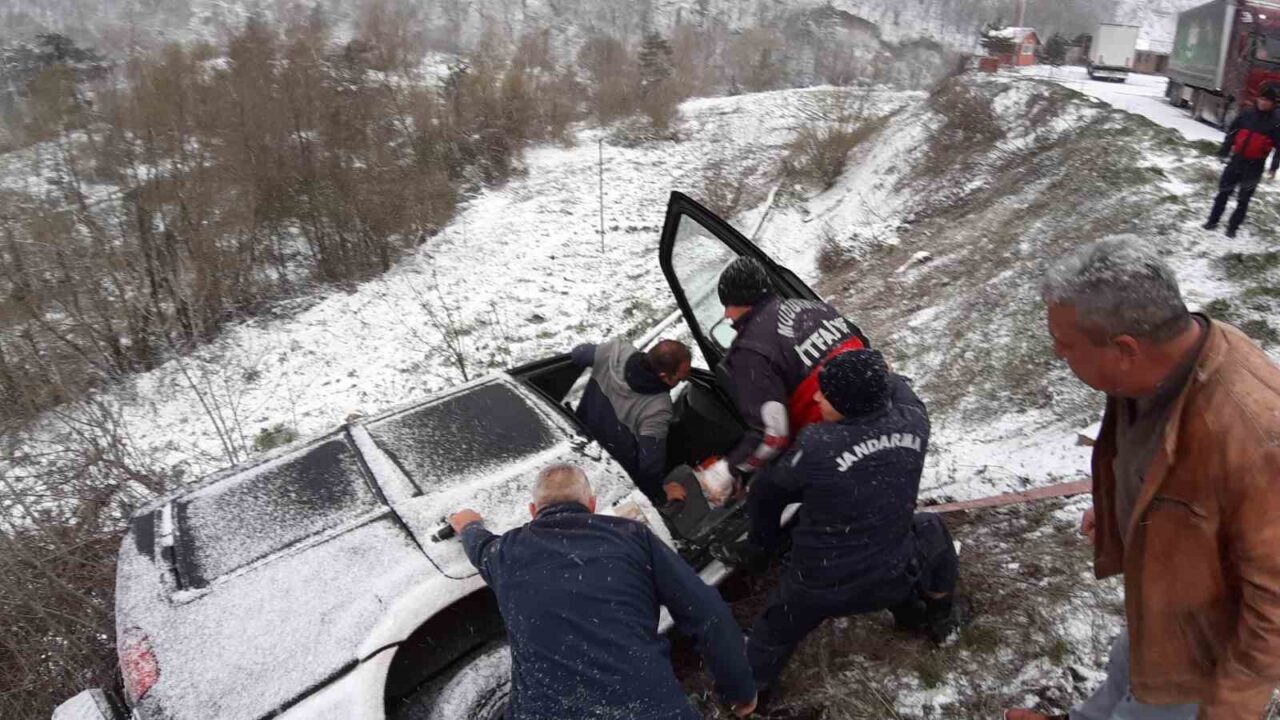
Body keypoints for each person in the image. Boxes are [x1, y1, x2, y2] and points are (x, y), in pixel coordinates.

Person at [1006, 238, 1280, 720]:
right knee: (1126, 668)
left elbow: (1274, 609)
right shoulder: (1164, 361)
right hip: (1163, 602)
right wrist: (1125, 505)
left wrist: (1228, 711)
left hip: (1201, 655)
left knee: (1151, 705)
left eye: (1065, 345)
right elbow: (1163, 461)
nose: (1056, 352)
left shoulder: (1253, 437)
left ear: (1125, 350)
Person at [448, 464, 757, 720]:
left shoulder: (505, 553)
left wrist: (468, 524)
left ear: (533, 510)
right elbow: (709, 615)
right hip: (647, 709)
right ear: (592, 505)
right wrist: (739, 692)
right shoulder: (632, 538)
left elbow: (479, 545)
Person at [743, 349, 961, 696]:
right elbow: (900, 389)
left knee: (770, 634)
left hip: (817, 588)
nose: (816, 397)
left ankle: (750, 695)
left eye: (825, 393)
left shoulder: (818, 445)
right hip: (894, 574)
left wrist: (762, 545)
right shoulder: (914, 421)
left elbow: (767, 494)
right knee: (930, 529)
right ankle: (938, 617)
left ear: (845, 403)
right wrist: (882, 374)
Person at [699, 256, 868, 506]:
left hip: (838, 446)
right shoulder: (813, 308)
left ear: (741, 301)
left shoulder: (750, 350)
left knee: (765, 499)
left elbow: (773, 436)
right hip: (880, 414)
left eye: (728, 305)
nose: (726, 314)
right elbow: (863, 344)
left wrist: (726, 471)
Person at [570, 338, 692, 507]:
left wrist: (601, 356)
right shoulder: (657, 408)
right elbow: (650, 465)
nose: (684, 381)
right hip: (609, 472)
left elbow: (578, 354)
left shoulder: (616, 350)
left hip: (577, 443)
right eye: (679, 378)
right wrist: (660, 494)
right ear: (664, 377)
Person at [1203, 84, 1280, 238]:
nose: (1263, 102)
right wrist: (1224, 151)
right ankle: (1212, 221)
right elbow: (1232, 133)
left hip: (1255, 166)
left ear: (1273, 103)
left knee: (1243, 199)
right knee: (1223, 192)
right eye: (1262, 99)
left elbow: (1279, 147)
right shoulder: (1247, 114)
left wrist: (1273, 167)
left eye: (1267, 100)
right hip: (1236, 160)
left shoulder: (1276, 122)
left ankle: (1232, 228)